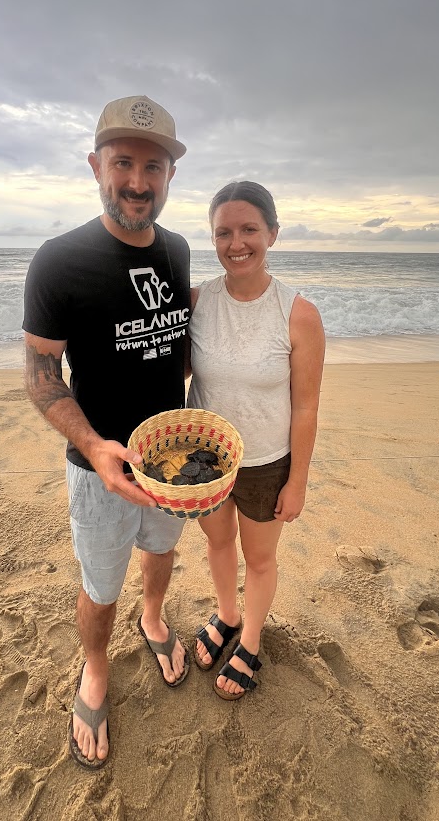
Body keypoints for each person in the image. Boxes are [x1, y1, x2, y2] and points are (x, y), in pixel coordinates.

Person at [23, 95, 191, 769]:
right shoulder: (58, 261)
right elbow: (41, 376)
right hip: (98, 468)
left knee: (161, 550)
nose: (137, 182)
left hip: (173, 460)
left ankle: (152, 618)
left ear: (170, 175)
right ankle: (95, 667)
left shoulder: (178, 250)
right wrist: (93, 446)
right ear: (96, 166)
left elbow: (174, 347)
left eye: (153, 167)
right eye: (123, 163)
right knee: (100, 583)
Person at [187, 181, 325, 700]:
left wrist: (298, 481)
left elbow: (306, 406)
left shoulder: (298, 314)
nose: (236, 243)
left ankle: (249, 639)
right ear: (213, 238)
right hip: (205, 459)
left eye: (249, 229)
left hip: (267, 462)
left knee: (260, 558)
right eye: (224, 232)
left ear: (272, 233)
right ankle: (226, 613)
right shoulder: (197, 301)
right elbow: (169, 369)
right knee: (218, 542)